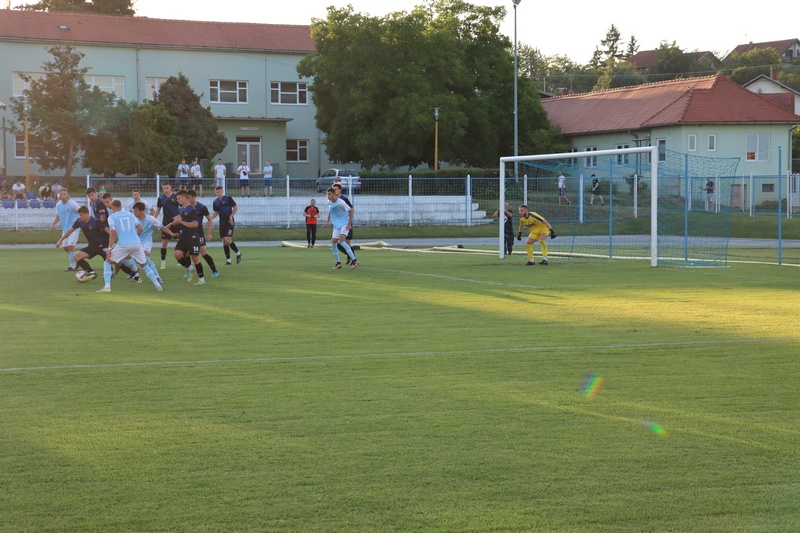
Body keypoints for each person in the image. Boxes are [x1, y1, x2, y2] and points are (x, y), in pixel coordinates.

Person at [56, 205, 140, 282]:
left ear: (86, 213)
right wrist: (60, 240)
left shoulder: (95, 221)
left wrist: (116, 238)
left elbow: (108, 230)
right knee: (76, 256)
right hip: (92, 247)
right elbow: (70, 230)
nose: (80, 217)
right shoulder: (79, 221)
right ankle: (91, 272)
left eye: (81, 215)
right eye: (79, 215)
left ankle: (133, 274)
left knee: (116, 262)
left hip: (102, 246)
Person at [97, 199, 163, 292]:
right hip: (136, 243)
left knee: (107, 261)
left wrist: (110, 248)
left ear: (112, 207)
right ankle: (157, 285)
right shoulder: (130, 214)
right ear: (121, 207)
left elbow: (112, 232)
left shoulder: (111, 217)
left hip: (123, 244)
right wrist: (134, 237)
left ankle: (107, 286)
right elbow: (140, 228)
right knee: (144, 265)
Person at [163, 189, 207, 285]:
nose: (177, 200)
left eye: (178, 198)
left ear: (184, 198)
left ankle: (202, 279)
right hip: (183, 236)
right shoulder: (181, 209)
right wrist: (170, 225)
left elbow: (195, 224)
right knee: (177, 254)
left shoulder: (192, 209)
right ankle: (191, 269)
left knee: (195, 258)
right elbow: (179, 220)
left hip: (193, 236)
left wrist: (181, 222)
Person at [132, 200, 175, 284]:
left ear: (142, 211)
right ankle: (136, 273)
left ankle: (157, 276)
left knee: (144, 256)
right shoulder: (133, 220)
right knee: (138, 259)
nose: (134, 213)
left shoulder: (151, 219)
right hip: (136, 242)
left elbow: (163, 228)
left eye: (136, 211)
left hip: (147, 241)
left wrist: (172, 234)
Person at [188, 189, 219, 278]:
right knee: (187, 253)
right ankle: (189, 270)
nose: (188, 199)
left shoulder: (201, 207)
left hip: (199, 233)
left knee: (203, 252)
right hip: (189, 233)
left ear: (194, 197)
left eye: (189, 197)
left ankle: (214, 271)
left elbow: (209, 219)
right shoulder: (185, 207)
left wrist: (209, 233)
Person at [325, 187, 358, 269]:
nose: (328, 196)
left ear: (334, 194)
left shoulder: (341, 202)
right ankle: (338, 263)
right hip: (337, 225)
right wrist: (327, 221)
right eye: (327, 194)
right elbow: (330, 211)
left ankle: (354, 260)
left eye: (329, 194)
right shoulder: (329, 202)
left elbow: (351, 211)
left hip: (344, 223)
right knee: (333, 242)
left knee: (342, 241)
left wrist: (349, 224)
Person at [50, 188, 81, 271]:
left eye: (65, 194)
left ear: (67, 195)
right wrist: (53, 224)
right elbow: (58, 216)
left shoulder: (73, 203)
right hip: (65, 229)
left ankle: (72, 266)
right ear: (59, 196)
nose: (63, 196)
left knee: (71, 246)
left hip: (74, 228)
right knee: (65, 247)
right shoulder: (58, 205)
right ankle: (78, 258)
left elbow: (80, 212)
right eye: (62, 194)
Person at [210, 185, 242, 265]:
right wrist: (210, 219)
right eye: (216, 192)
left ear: (222, 191)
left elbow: (235, 208)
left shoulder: (228, 198)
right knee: (224, 241)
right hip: (222, 222)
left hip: (229, 221)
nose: (218, 193)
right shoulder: (215, 202)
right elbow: (216, 212)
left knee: (228, 239)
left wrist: (231, 216)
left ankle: (238, 253)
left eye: (219, 192)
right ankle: (228, 260)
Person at [153, 181, 181, 270]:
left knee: (180, 241)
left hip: (176, 222)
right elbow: (158, 210)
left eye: (167, 188)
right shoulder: (161, 198)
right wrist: (153, 219)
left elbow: (182, 207)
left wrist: (179, 216)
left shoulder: (176, 197)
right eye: (164, 188)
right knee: (164, 243)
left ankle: (181, 260)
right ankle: (163, 262)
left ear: (170, 187)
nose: (165, 190)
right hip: (166, 223)